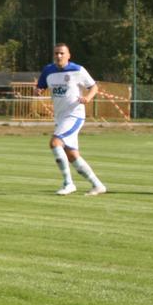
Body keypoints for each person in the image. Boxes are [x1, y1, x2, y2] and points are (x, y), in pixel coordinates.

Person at [36, 43, 107, 196]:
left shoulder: (78, 70)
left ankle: (68, 183)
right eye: (56, 53)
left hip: (75, 115)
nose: (58, 56)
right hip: (60, 118)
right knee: (72, 155)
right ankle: (98, 185)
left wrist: (88, 97)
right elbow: (40, 86)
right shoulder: (48, 71)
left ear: (69, 55)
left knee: (55, 142)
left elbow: (94, 87)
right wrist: (39, 90)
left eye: (62, 53)